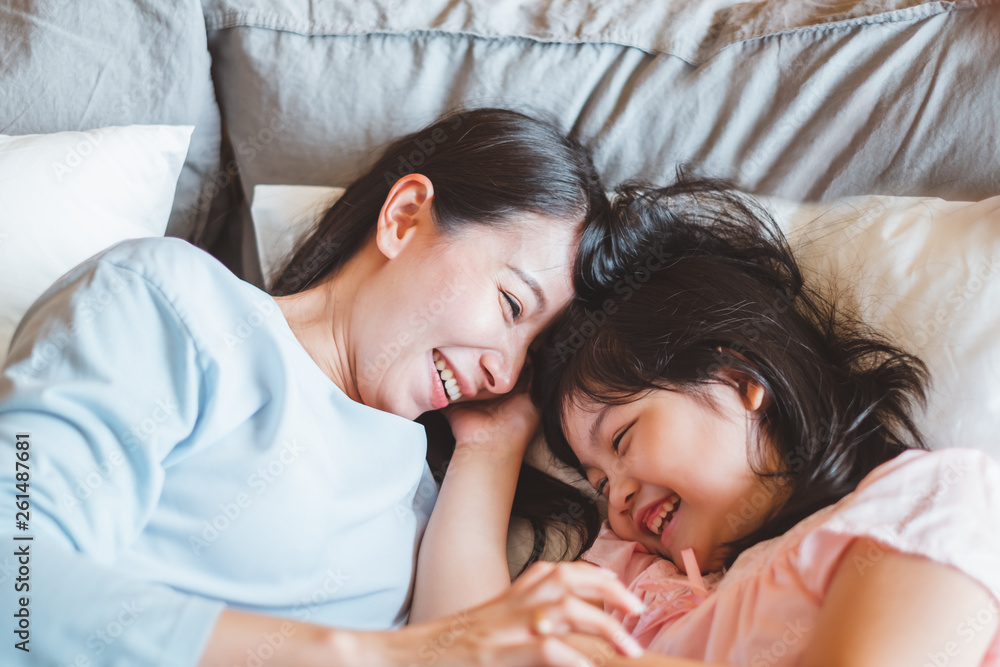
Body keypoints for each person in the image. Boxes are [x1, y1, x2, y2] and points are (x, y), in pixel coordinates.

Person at [0, 108, 646, 667]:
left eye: (529, 354)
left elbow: (468, 651)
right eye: (510, 303)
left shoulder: (425, 505)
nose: (503, 373)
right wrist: (378, 654)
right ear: (404, 215)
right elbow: (15, 581)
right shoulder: (173, 300)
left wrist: (494, 446)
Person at [530, 180, 1000, 666]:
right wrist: (487, 450)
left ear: (737, 378)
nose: (616, 499)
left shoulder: (922, 502)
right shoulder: (640, 582)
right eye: (600, 483)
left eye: (622, 438)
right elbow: (480, 637)